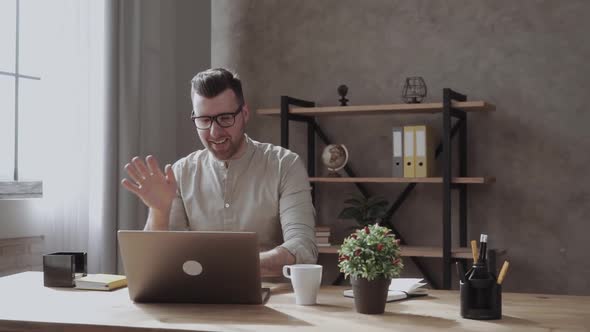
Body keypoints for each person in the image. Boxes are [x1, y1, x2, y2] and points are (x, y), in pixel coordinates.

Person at [121, 68, 317, 277]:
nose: (215, 132)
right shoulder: (180, 172)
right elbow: (156, 263)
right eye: (204, 120)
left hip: (271, 300)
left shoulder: (285, 165)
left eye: (225, 118)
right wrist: (159, 211)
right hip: (197, 298)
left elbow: (303, 246)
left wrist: (231, 266)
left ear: (245, 114)